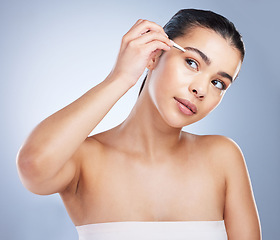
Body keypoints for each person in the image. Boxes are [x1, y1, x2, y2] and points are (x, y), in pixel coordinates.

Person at [17, 9, 261, 240]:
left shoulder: (223, 158)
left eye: (218, 83)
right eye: (192, 62)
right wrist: (120, 77)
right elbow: (33, 166)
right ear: (154, 54)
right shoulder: (85, 159)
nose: (200, 89)